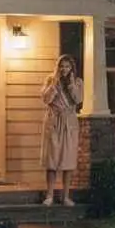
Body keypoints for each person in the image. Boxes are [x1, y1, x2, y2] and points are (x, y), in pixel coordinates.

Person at [39, 54, 83, 206]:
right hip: (54, 121)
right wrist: (54, 86)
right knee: (52, 159)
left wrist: (71, 85)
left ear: (72, 68)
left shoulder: (77, 82)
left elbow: (78, 100)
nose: (64, 69)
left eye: (67, 66)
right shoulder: (50, 80)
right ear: (57, 67)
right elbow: (45, 99)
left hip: (69, 122)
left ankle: (66, 196)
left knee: (68, 160)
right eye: (62, 66)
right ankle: (49, 195)